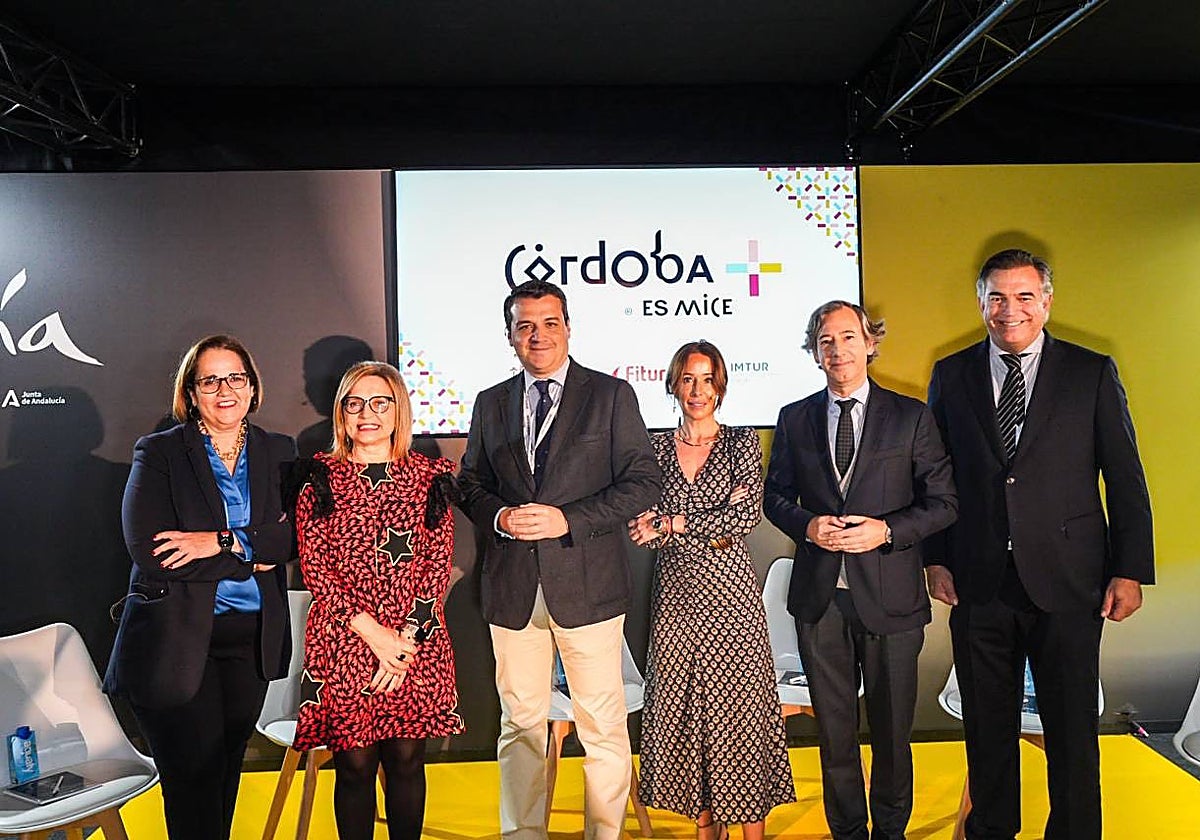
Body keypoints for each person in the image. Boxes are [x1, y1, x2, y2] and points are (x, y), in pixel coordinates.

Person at [924, 249, 1154, 840]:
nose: (1010, 310)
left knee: (1072, 734)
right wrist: (934, 557)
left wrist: (1129, 569)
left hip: (1070, 581)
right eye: (997, 297)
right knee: (987, 732)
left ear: (1047, 301)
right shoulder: (951, 375)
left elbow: (1124, 475)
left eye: (1024, 296)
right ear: (980, 303)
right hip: (978, 581)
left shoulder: (1091, 372)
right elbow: (935, 478)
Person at [458, 279, 662, 840]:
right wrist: (499, 517)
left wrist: (567, 519)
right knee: (520, 725)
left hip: (589, 587)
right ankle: (522, 834)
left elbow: (643, 481)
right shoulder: (490, 402)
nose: (538, 335)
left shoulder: (610, 396)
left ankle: (604, 834)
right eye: (526, 325)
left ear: (568, 328)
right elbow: (470, 483)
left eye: (550, 323)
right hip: (512, 589)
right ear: (510, 337)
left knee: (601, 729)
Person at [763, 301, 957, 840]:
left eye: (849, 337)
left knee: (893, 733)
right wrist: (807, 526)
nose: (838, 350)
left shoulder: (911, 415)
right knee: (834, 733)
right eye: (826, 341)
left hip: (892, 596)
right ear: (815, 352)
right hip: (820, 600)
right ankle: (847, 831)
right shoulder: (795, 417)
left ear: (870, 343)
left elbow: (943, 502)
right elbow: (775, 497)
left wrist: (887, 531)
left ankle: (890, 831)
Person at [104, 335, 296, 840]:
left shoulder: (279, 452)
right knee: (192, 781)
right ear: (191, 393)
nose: (224, 389)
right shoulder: (161, 452)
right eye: (210, 380)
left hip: (251, 639)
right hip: (177, 642)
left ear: (253, 389)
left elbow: (290, 537)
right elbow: (152, 551)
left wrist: (217, 541)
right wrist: (246, 561)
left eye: (236, 378)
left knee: (226, 772)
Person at [629, 340, 795, 840]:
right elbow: (640, 524)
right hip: (676, 602)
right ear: (674, 385)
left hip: (731, 602)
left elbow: (744, 517)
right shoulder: (654, 449)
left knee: (740, 718)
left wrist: (673, 522)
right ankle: (706, 832)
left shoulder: (741, 442)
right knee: (687, 718)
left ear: (720, 384)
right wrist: (706, 522)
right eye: (687, 379)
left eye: (706, 379)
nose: (697, 390)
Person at [291, 361, 462, 840]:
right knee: (355, 765)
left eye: (380, 402)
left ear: (399, 411)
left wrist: (403, 643)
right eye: (355, 403)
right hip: (346, 639)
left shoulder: (430, 477)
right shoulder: (317, 477)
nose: (368, 413)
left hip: (415, 641)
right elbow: (316, 568)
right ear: (341, 414)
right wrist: (373, 634)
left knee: (407, 761)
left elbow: (435, 564)